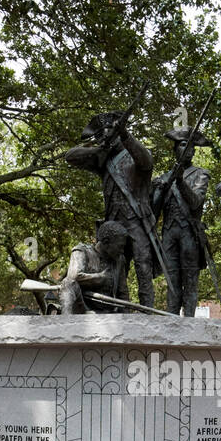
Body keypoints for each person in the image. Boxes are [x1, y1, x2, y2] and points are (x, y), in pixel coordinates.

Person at [65, 113, 163, 308]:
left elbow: (147, 162)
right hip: (114, 225)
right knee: (117, 270)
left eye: (107, 135)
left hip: (137, 222)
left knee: (143, 266)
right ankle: (118, 308)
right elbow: (70, 157)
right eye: (101, 136)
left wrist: (125, 135)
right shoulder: (104, 161)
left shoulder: (133, 154)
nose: (105, 139)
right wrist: (100, 148)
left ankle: (147, 312)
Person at [152, 127, 212, 316]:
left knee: (190, 281)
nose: (187, 149)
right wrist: (157, 191)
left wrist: (179, 181)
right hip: (169, 234)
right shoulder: (164, 177)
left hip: (189, 234)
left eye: (190, 146)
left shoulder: (201, 174)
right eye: (182, 145)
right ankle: (171, 320)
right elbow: (154, 212)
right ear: (175, 150)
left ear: (194, 151)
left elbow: (195, 203)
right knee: (172, 282)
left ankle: (189, 322)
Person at [60, 221, 130, 314]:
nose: (122, 251)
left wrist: (126, 320)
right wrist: (100, 278)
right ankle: (66, 322)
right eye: (120, 246)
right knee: (67, 282)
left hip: (108, 313)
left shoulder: (119, 260)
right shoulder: (82, 251)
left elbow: (123, 293)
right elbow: (73, 278)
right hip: (83, 310)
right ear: (106, 242)